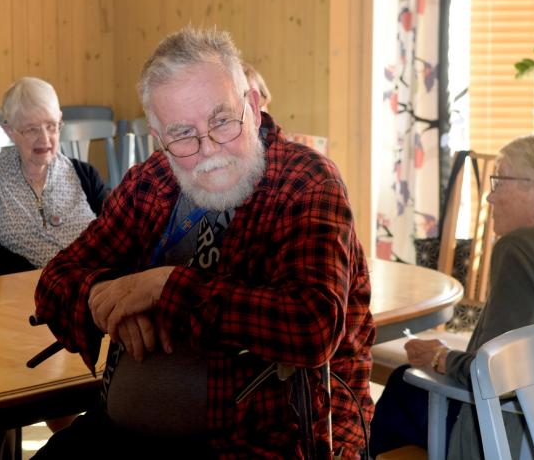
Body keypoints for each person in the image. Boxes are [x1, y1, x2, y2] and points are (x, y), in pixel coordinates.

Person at [32, 27, 375, 458]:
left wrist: (162, 288)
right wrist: (107, 300)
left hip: (264, 441)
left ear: (250, 105)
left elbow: (312, 326)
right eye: (183, 134)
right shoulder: (151, 182)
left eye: (221, 121)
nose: (209, 147)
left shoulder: (305, 183)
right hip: (119, 434)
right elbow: (56, 279)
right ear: (160, 137)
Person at [370, 132, 534, 458]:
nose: (490, 198)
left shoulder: (521, 247)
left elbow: (495, 372)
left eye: (500, 181)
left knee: (404, 384)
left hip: (504, 437)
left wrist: (440, 357)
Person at [0, 76, 107, 277]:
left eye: (51, 126)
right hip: (17, 292)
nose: (45, 139)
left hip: (87, 288)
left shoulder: (85, 175)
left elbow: (113, 232)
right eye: (32, 129)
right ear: (10, 130)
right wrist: (44, 277)